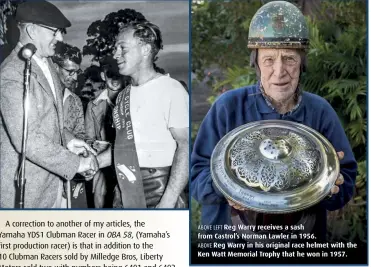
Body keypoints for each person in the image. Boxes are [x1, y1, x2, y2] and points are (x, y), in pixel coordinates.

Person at [191, 1, 357, 240]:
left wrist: (332, 186)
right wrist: (224, 186)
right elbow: (197, 175)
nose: (279, 71)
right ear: (256, 63)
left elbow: (346, 181)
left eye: (289, 58)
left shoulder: (320, 111)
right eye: (269, 60)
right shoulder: (228, 108)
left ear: (301, 63)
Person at [0, 0, 98, 208]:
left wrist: (69, 140)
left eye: (60, 32)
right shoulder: (12, 74)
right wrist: (77, 163)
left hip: (51, 186)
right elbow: (27, 138)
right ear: (32, 31)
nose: (60, 38)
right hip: (27, 193)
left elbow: (48, 121)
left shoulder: (48, 64)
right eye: (54, 32)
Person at [98, 21, 189, 208]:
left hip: (160, 190)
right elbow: (127, 149)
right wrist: (92, 162)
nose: (115, 54)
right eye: (115, 48)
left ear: (145, 49)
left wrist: (168, 202)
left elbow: (185, 146)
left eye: (122, 48)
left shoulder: (171, 89)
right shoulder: (122, 96)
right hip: (123, 190)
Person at [85, 56, 128, 208]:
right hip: (101, 163)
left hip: (127, 163)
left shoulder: (132, 101)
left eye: (118, 75)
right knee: (100, 196)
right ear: (103, 75)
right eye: (111, 74)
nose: (115, 79)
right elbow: (88, 139)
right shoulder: (93, 106)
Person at [52, 41, 90, 208]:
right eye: (70, 71)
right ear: (55, 67)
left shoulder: (75, 100)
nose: (75, 77)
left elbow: (81, 134)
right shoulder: (39, 95)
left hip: (71, 176)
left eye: (77, 72)